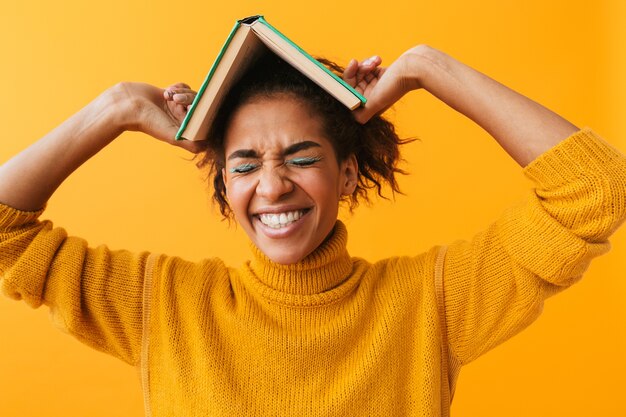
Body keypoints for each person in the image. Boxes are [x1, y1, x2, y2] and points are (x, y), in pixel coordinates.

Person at [1, 45, 625, 416]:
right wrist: (115, 109)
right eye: (244, 165)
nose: (272, 187)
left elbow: (598, 190)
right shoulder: (160, 304)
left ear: (348, 175)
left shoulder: (432, 300)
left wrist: (427, 68)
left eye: (301, 158)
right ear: (225, 187)